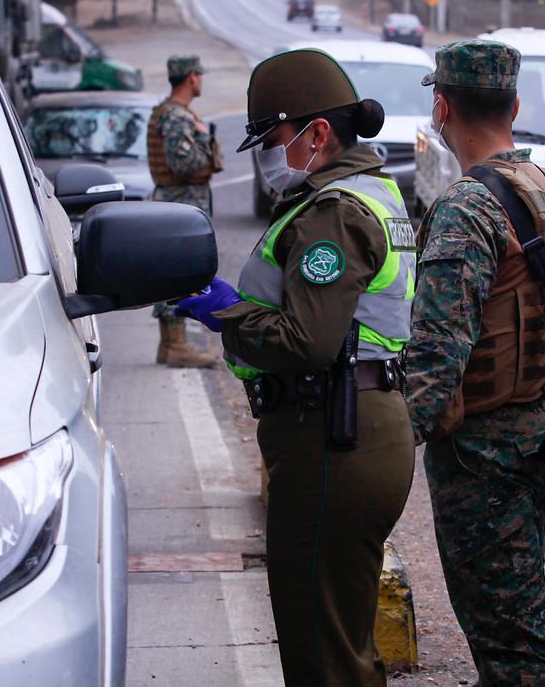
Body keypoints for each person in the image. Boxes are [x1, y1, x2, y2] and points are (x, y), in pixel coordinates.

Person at [176, 48, 416, 686]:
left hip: (334, 437)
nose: (269, 153)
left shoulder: (334, 213)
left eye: (277, 138)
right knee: (340, 641)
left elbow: (307, 342)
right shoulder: (369, 193)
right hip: (356, 427)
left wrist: (227, 315)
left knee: (322, 654)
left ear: (318, 133)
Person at [404, 40, 545, 686]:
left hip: (484, 456)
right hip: (540, 431)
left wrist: (386, 448)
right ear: (514, 105)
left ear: (441, 107)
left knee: (513, 646)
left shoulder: (466, 207)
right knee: (510, 622)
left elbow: (437, 352)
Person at [147, 54, 223, 368]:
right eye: (199, 76)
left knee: (171, 270)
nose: (201, 80)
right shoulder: (179, 117)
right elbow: (184, 163)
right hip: (180, 204)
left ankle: (169, 345)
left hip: (174, 202)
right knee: (179, 271)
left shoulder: (170, 112)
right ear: (191, 77)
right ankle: (177, 345)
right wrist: (205, 136)